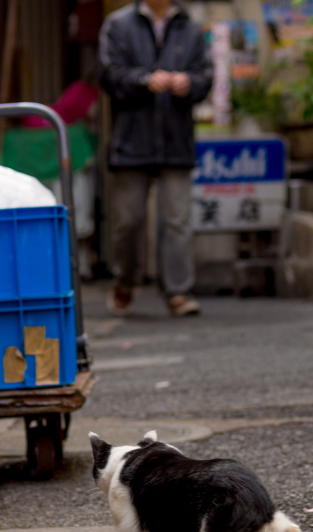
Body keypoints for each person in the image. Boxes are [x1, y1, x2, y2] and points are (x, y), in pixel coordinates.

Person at [97, 0, 212, 317]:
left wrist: (189, 84)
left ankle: (178, 291)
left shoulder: (189, 27)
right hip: (132, 140)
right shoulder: (118, 25)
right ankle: (126, 280)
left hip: (176, 140)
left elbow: (206, 77)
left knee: (177, 220)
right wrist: (144, 80)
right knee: (129, 220)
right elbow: (108, 75)